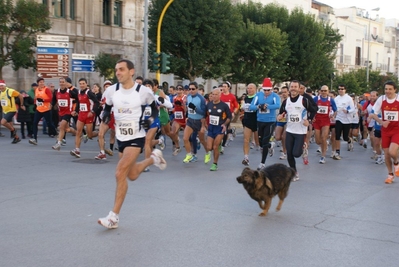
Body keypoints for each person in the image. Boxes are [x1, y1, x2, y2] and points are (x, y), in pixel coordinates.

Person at [98, 59, 166, 229]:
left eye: (121, 69)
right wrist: (106, 116)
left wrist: (149, 120)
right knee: (132, 174)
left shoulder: (143, 92)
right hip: (121, 137)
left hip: (136, 137)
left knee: (119, 172)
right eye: (116, 70)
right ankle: (153, 159)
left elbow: (155, 110)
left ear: (131, 72)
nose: (118, 73)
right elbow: (107, 107)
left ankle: (113, 217)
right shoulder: (111, 90)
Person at [277, 80, 317, 181]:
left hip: (301, 131)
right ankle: (294, 173)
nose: (293, 88)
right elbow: (281, 113)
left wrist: (309, 120)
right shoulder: (286, 102)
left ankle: (303, 148)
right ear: (289, 88)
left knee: (296, 154)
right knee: (289, 154)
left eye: (295, 87)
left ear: (299, 89)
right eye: (292, 87)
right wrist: (279, 116)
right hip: (290, 130)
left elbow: (314, 109)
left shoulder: (304, 100)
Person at [369, 81, 399, 184]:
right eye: (386, 89)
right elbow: (373, 113)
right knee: (386, 154)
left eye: (390, 89)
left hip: (397, 130)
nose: (388, 91)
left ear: (395, 90)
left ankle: (396, 163)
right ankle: (390, 175)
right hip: (385, 130)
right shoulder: (381, 99)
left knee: (392, 151)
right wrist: (382, 122)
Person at [249, 78, 281, 170]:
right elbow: (251, 107)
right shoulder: (258, 95)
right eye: (265, 90)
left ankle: (262, 162)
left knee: (266, 140)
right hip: (260, 120)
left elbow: (278, 105)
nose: (267, 92)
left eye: (268, 90)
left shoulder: (275, 96)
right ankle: (270, 146)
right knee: (261, 143)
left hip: (270, 121)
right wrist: (259, 106)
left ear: (271, 89)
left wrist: (267, 106)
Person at [70, 78, 100, 158]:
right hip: (81, 115)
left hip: (89, 115)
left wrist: (92, 111)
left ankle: (100, 134)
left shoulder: (89, 93)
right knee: (78, 132)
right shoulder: (79, 92)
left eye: (83, 83)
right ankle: (77, 150)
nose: (82, 85)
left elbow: (97, 103)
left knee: (90, 135)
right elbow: (79, 103)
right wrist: (75, 111)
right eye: (80, 84)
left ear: (86, 84)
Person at [204, 88, 232, 171]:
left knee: (215, 146)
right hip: (211, 127)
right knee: (209, 147)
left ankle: (215, 164)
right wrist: (204, 124)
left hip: (220, 128)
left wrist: (224, 124)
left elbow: (229, 117)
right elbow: (205, 114)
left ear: (220, 95)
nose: (214, 96)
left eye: (216, 94)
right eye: (213, 94)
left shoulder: (224, 105)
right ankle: (209, 152)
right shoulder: (209, 104)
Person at [182, 82, 210, 163]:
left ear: (197, 89)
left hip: (199, 121)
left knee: (202, 140)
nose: (191, 90)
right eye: (189, 89)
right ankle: (189, 155)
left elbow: (204, 112)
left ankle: (208, 152)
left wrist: (195, 108)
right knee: (185, 138)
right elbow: (188, 107)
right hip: (190, 120)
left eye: (193, 89)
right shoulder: (188, 96)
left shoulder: (201, 99)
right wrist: (187, 115)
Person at [51, 77, 78, 151]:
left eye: (63, 82)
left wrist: (75, 109)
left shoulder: (69, 92)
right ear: (59, 83)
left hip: (68, 112)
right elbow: (53, 101)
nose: (62, 83)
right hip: (60, 112)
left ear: (66, 83)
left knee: (61, 126)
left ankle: (58, 143)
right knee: (67, 129)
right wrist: (51, 105)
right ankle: (78, 133)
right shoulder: (56, 92)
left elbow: (78, 98)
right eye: (61, 82)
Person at [312, 85, 337, 164]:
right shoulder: (316, 99)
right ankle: (324, 145)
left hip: (326, 121)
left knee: (323, 138)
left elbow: (336, 110)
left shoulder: (331, 100)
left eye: (325, 91)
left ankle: (323, 156)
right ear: (320, 91)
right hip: (317, 121)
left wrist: (333, 116)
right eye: (322, 91)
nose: (323, 92)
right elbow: (311, 108)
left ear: (328, 91)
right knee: (317, 140)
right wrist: (312, 116)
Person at [29, 77, 57, 145]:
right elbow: (36, 98)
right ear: (38, 83)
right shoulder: (36, 90)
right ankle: (35, 138)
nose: (42, 83)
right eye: (40, 82)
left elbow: (50, 98)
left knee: (49, 124)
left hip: (46, 109)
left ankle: (57, 135)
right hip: (39, 109)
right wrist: (35, 104)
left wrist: (43, 100)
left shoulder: (46, 89)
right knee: (35, 123)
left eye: (42, 82)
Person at [332, 84, 355, 160]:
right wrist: (332, 114)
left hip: (347, 120)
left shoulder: (349, 99)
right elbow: (334, 108)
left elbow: (353, 109)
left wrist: (348, 111)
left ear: (345, 90)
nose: (340, 90)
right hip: (339, 119)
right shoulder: (336, 99)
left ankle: (349, 140)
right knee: (337, 135)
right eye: (339, 89)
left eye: (342, 89)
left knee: (345, 137)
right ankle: (337, 152)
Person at [240, 83, 258, 166]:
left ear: (255, 89)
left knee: (258, 143)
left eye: (251, 88)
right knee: (246, 140)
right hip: (247, 120)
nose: (249, 90)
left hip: (257, 121)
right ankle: (246, 157)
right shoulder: (246, 98)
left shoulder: (257, 98)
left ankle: (267, 149)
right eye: (248, 88)